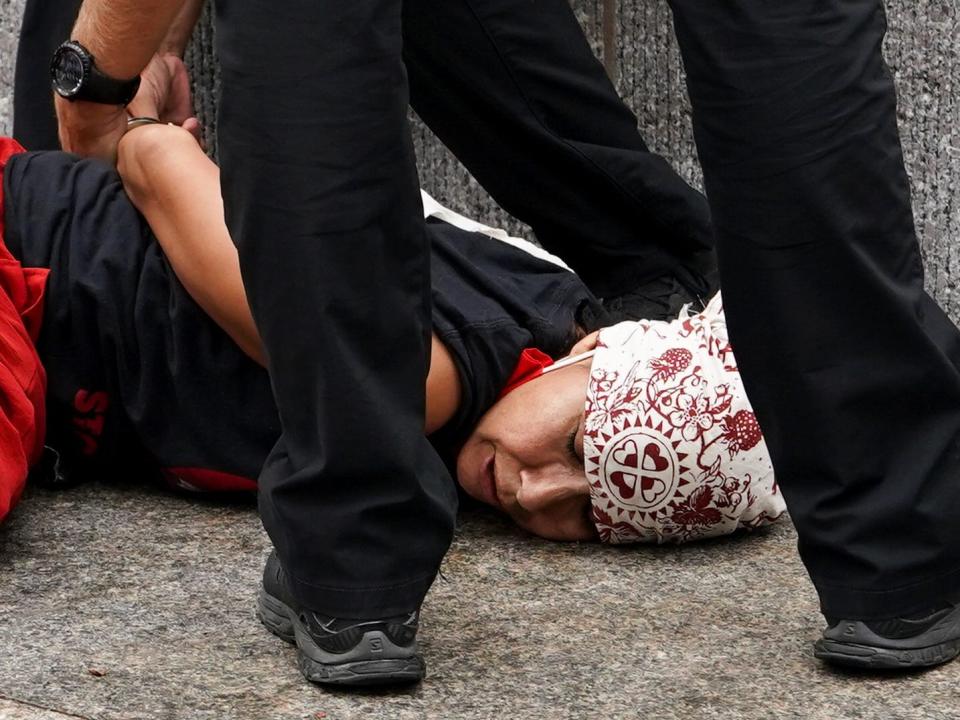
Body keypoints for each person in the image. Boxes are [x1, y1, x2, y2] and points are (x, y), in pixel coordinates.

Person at [26, 0, 718, 686]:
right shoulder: (439, 377)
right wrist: (139, 133)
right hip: (33, 274)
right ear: (591, 350)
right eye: (577, 449)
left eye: (589, 514)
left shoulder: (540, 306)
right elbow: (174, 186)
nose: (536, 493)